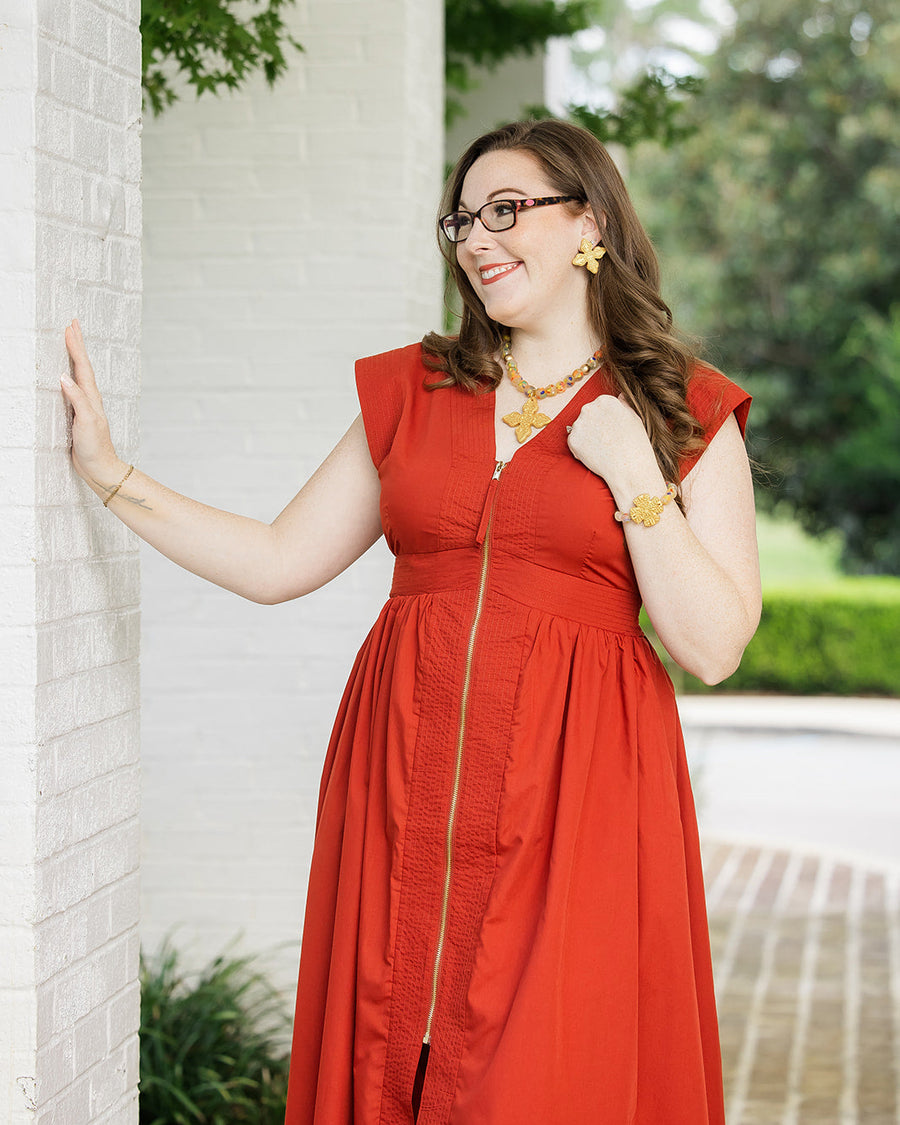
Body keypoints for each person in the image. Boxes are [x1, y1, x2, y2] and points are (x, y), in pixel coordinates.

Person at [61, 119, 760, 1125]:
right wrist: (111, 476)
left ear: (590, 225)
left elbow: (713, 645)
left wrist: (637, 475)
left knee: (549, 1077)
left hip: (581, 798)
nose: (479, 238)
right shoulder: (418, 388)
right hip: (401, 779)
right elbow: (275, 561)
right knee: (396, 1051)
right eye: (463, 219)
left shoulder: (683, 410)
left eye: (508, 210)